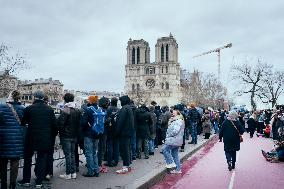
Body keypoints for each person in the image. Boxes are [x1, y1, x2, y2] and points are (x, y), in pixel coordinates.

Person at [18, 91, 57, 189]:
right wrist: (51, 136)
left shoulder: (29, 108)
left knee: (27, 159)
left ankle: (26, 180)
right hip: (44, 138)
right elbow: (54, 126)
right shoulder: (49, 109)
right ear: (43, 98)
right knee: (41, 160)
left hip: (31, 137)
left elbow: (23, 123)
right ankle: (39, 182)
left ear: (34, 97)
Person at [0, 91, 25, 189]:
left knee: (2, 163)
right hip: (17, 139)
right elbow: (24, 123)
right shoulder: (23, 109)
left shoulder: (2, 107)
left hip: (3, 139)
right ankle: (12, 185)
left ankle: (3, 185)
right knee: (15, 163)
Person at [57, 93, 81, 180]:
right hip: (74, 135)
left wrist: (60, 132)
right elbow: (79, 124)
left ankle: (68, 173)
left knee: (68, 155)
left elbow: (61, 124)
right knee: (73, 155)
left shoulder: (65, 110)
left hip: (66, 136)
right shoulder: (77, 110)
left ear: (65, 100)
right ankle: (73, 172)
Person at [81, 95, 101, 177]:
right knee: (95, 153)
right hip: (97, 133)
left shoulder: (88, 110)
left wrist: (83, 129)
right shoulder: (100, 109)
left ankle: (90, 171)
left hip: (89, 134)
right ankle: (96, 170)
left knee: (89, 153)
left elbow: (83, 123)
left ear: (90, 101)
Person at [161, 105, 185, 174]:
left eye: (174, 110)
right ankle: (178, 169)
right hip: (177, 140)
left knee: (164, 149)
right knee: (175, 154)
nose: (172, 112)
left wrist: (168, 135)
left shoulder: (178, 120)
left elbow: (175, 131)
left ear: (177, 111)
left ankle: (171, 163)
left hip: (174, 140)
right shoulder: (177, 119)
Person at [115, 95, 135, 174]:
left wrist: (116, 132)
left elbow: (120, 122)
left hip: (124, 133)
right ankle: (128, 165)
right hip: (128, 132)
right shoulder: (129, 108)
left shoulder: (124, 109)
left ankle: (125, 166)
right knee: (127, 148)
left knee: (124, 149)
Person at [104, 97, 119, 167]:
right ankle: (116, 160)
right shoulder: (118, 110)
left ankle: (109, 161)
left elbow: (106, 120)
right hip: (117, 129)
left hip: (110, 130)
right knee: (116, 146)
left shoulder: (108, 109)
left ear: (111, 102)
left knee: (109, 146)